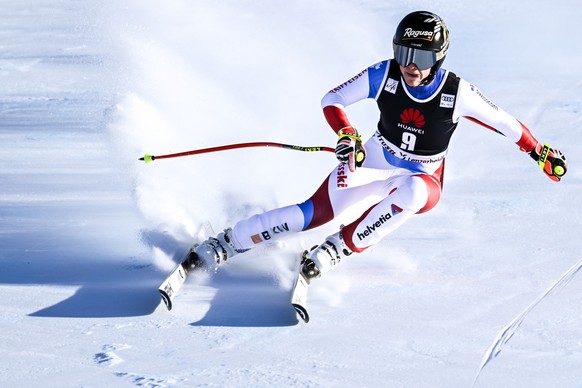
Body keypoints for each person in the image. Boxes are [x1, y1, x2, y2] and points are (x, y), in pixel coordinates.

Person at [189, 10, 568, 280]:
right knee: (311, 214)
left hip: (422, 175)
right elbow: (332, 99)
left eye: (420, 57)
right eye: (404, 53)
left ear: (437, 57)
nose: (410, 65)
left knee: (415, 192)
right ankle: (227, 242)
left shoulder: (458, 92)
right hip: (373, 157)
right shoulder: (383, 73)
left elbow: (504, 122)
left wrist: (537, 152)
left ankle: (340, 247)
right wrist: (347, 135)